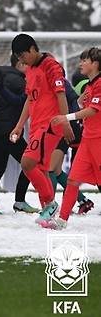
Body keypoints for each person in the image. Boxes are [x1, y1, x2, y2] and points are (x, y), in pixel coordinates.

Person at [9, 33, 74, 224]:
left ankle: (50, 205)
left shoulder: (51, 66)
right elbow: (30, 99)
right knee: (41, 168)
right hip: (37, 125)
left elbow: (61, 95)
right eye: (18, 58)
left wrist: (66, 121)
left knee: (27, 162)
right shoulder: (30, 69)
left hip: (51, 124)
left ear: (32, 48)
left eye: (22, 55)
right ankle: (49, 215)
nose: (22, 60)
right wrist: (20, 125)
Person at [41, 47, 101, 229]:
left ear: (95, 64)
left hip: (98, 141)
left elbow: (92, 110)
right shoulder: (91, 85)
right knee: (73, 180)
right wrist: (81, 100)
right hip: (87, 140)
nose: (81, 63)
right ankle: (62, 220)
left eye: (85, 60)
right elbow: (86, 104)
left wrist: (65, 117)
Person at [0, 54, 38, 213]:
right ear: (21, 64)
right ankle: (20, 201)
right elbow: (24, 101)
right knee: (30, 162)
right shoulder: (17, 80)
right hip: (10, 131)